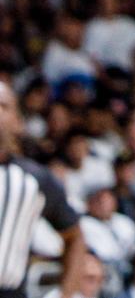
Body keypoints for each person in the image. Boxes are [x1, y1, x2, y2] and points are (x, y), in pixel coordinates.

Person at [0, 77, 85, 298]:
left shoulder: (35, 180)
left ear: (17, 121)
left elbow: (75, 238)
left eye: (3, 106)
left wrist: (66, 293)